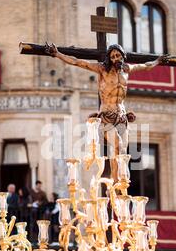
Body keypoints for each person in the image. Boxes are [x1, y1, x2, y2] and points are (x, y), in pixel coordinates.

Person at [45, 42, 168, 181]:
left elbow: (146, 66)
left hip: (122, 117)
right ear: (109, 58)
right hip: (106, 117)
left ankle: (117, 185)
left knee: (121, 153)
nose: (116, 58)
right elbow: (78, 62)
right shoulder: (102, 69)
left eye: (118, 55)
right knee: (118, 145)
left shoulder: (127, 70)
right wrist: (57, 54)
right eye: (113, 56)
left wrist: (158, 60)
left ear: (123, 56)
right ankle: (115, 182)